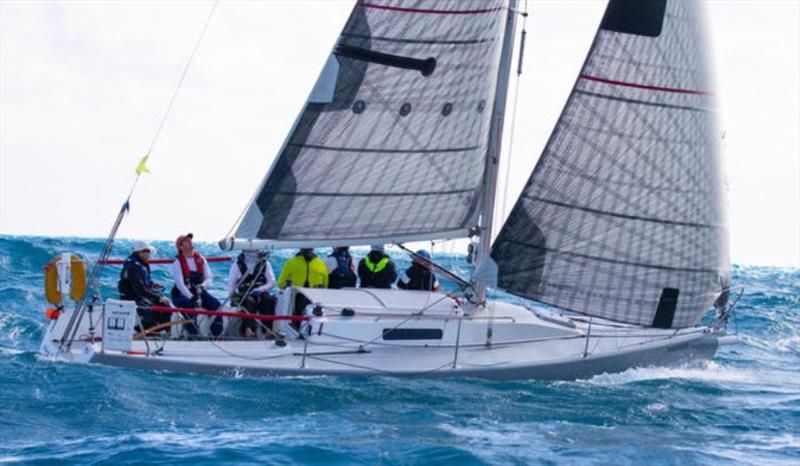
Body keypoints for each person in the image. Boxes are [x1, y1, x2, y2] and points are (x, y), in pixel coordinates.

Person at [170, 233, 222, 335]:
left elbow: (209, 278)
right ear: (181, 247)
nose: (190, 242)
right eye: (186, 241)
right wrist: (191, 297)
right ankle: (193, 334)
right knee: (189, 307)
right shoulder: (177, 262)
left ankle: (217, 334)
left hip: (199, 291)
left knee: (216, 305)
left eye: (190, 240)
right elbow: (180, 284)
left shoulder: (201, 259)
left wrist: (203, 286)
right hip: (181, 294)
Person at [118, 240, 171, 330]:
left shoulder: (138, 265)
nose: (149, 255)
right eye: (148, 252)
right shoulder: (133, 267)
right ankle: (144, 330)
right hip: (132, 298)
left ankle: (159, 331)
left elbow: (141, 282)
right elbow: (140, 290)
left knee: (165, 306)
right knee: (153, 310)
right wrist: (158, 297)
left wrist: (152, 284)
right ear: (141, 252)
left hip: (138, 296)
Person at [227, 249, 276, 336]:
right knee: (249, 302)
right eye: (249, 251)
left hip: (260, 291)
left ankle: (268, 330)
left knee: (269, 300)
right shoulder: (236, 265)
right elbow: (231, 284)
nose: (251, 254)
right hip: (245, 293)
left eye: (254, 251)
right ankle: (248, 329)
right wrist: (233, 297)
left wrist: (261, 289)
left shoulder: (265, 264)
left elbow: (272, 282)